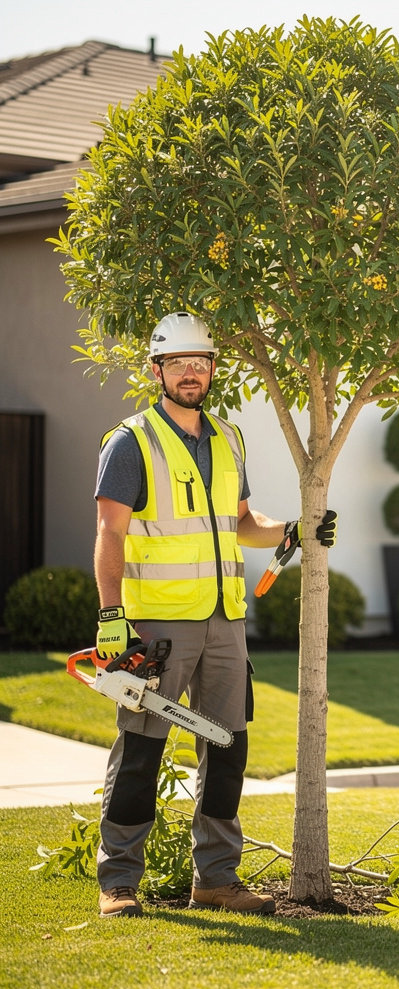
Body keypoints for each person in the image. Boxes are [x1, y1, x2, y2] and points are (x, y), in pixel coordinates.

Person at [93, 311, 336, 918]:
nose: (191, 373)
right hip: (157, 625)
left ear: (211, 370)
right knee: (142, 748)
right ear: (157, 371)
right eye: (178, 363)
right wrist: (110, 616)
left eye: (200, 362)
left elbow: (244, 525)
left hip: (226, 619)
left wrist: (298, 528)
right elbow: (109, 531)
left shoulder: (228, 438)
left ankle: (217, 880)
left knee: (228, 746)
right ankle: (119, 880)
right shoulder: (131, 441)